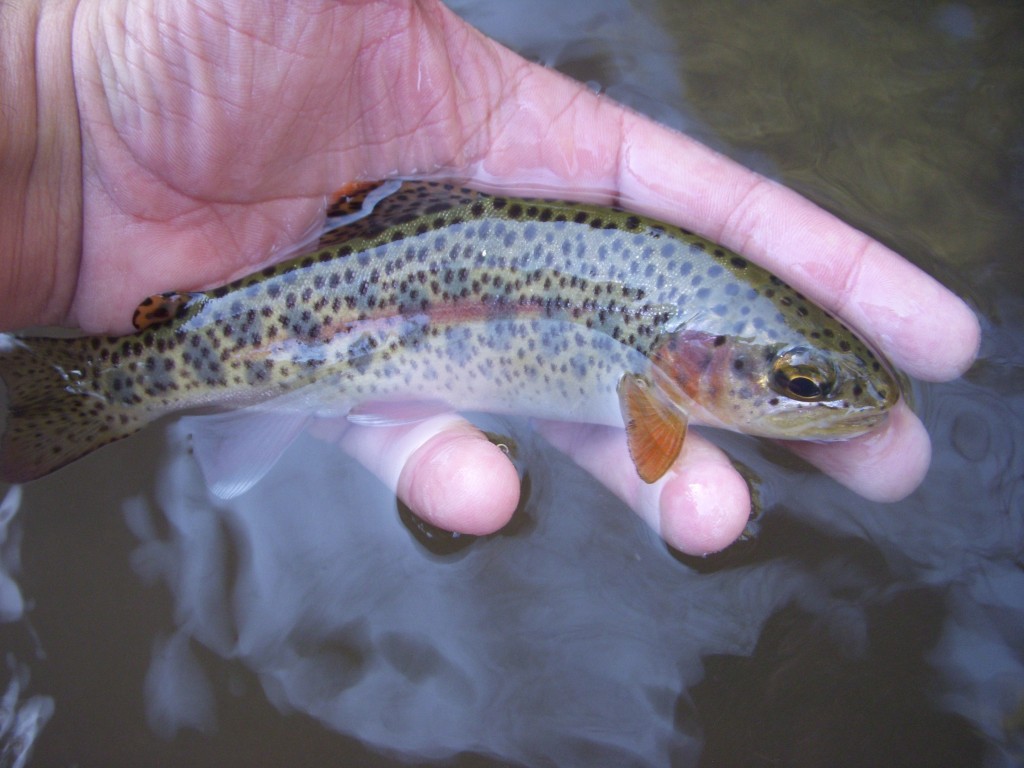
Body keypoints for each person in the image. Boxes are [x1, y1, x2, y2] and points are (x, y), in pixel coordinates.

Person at [0, 0, 979, 555]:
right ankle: (88, 392)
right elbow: (650, 452)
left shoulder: (668, 366)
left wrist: (57, 87)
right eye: (801, 386)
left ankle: (86, 393)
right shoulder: (659, 399)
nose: (814, 399)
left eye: (801, 384)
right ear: (692, 363)